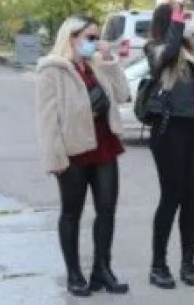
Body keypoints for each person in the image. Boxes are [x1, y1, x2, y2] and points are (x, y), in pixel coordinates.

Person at [35, 15, 130, 296]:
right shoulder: (52, 70)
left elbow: (123, 95)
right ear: (72, 37)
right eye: (90, 37)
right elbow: (47, 120)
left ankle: (102, 270)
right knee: (71, 213)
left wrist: (110, 61)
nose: (95, 43)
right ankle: (74, 274)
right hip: (73, 151)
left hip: (104, 146)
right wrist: (55, 157)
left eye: (97, 37)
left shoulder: (97, 65)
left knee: (107, 210)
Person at [143, 3, 194, 289]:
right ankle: (158, 265)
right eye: (181, 17)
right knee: (171, 196)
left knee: (191, 198)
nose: (186, 21)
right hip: (168, 131)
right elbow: (168, 54)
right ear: (169, 21)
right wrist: (175, 24)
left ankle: (188, 262)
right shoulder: (156, 48)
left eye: (185, 17)